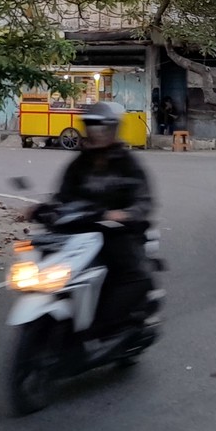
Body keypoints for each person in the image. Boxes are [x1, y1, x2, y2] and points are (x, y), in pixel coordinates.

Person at [40, 101, 155, 327]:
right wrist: (42, 209)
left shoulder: (127, 163)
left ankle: (108, 326)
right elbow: (63, 196)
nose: (96, 133)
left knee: (135, 275)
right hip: (82, 230)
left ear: (113, 129)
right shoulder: (79, 163)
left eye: (101, 128)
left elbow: (143, 200)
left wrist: (124, 214)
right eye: (91, 127)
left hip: (118, 232)